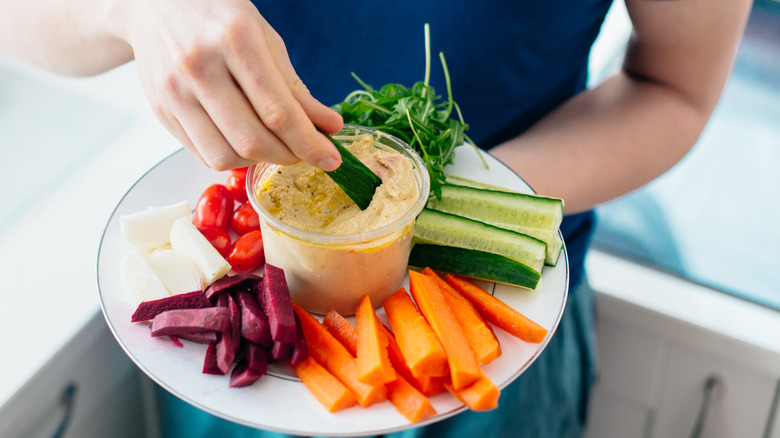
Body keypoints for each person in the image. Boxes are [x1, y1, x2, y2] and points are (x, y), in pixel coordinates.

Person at [0, 0, 752, 436]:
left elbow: (676, 88)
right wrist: (131, 7)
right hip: (249, 357)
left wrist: (437, 208)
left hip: (488, 343)